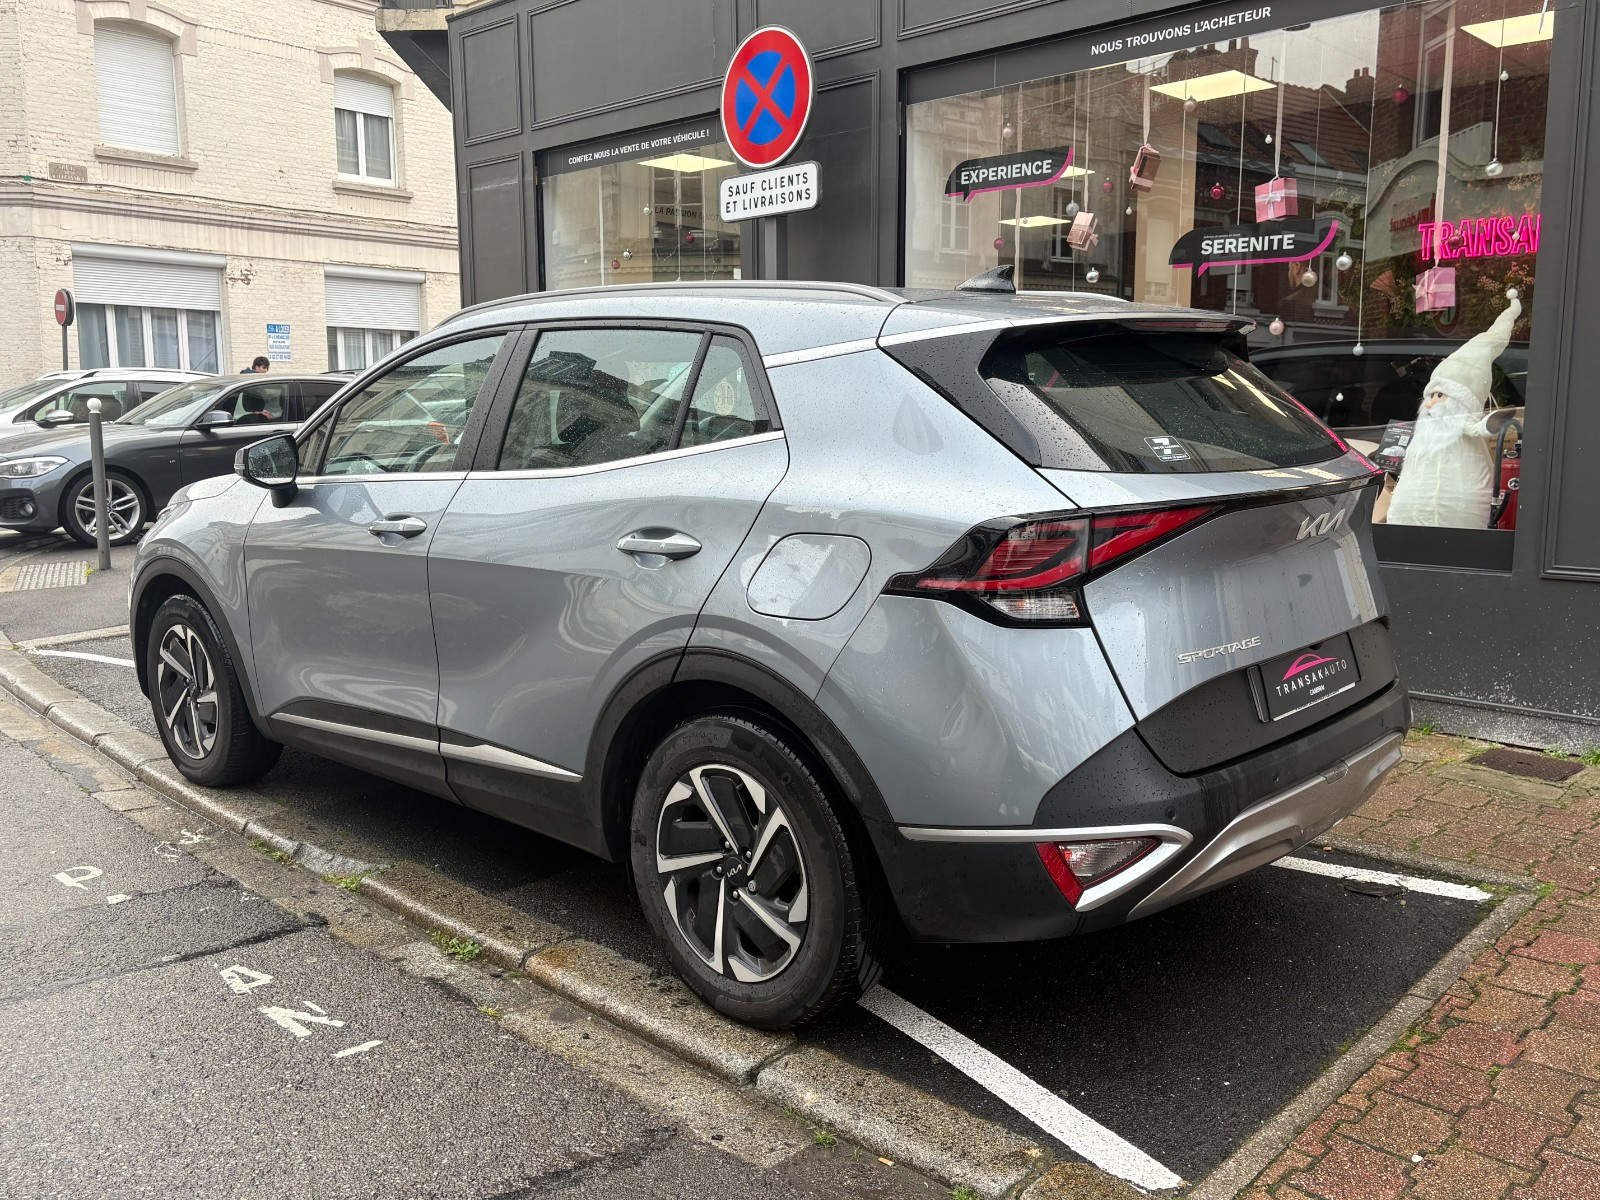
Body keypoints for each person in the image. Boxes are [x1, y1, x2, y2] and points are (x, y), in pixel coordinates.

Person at [1386, 290, 1522, 529]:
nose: (1430, 403)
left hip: (1460, 505)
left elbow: (1479, 428)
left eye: (1440, 396)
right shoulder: (1424, 436)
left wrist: (1493, 422)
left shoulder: (1461, 423)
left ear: (1462, 401)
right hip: (1410, 510)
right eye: (1430, 396)